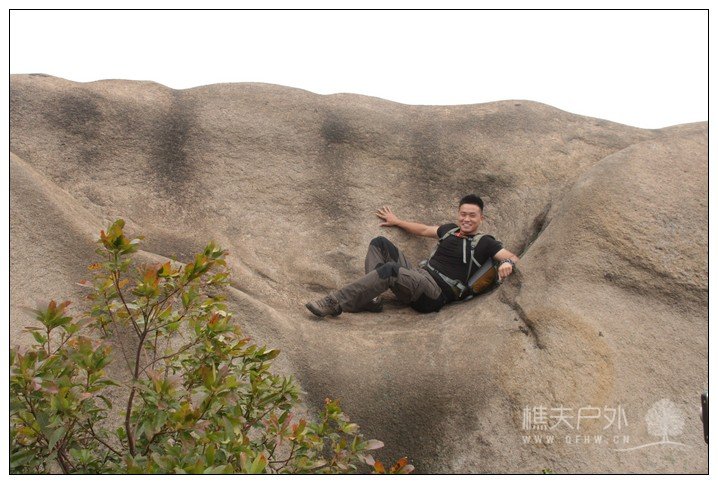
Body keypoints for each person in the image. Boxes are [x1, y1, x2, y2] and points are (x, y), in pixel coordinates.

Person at [305, 194, 518, 317]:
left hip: (434, 294)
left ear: (481, 218)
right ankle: (371, 298)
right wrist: (397, 221)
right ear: (458, 214)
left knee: (391, 271)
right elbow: (423, 230)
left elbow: (513, 257)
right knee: (380, 243)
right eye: (463, 214)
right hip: (419, 275)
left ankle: (334, 302)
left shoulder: (485, 242)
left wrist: (507, 263)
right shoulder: (450, 230)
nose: (467, 219)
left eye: (472, 215)